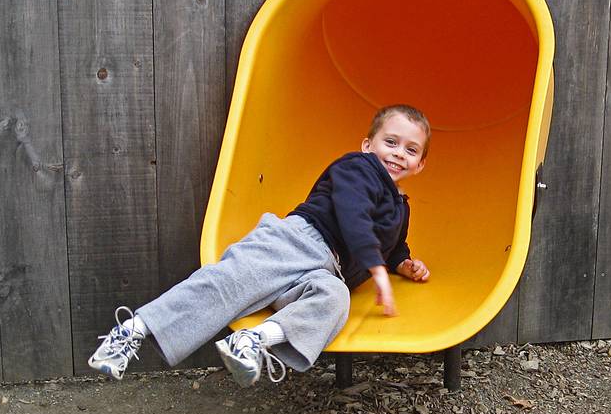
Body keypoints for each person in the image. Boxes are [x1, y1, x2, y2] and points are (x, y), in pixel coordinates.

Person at [88, 104, 432, 387]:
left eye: (411, 150)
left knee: (335, 299)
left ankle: (253, 341)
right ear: (368, 145)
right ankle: (133, 330)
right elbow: (354, 215)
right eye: (391, 142)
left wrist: (402, 264)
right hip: (298, 240)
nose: (399, 154)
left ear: (420, 165)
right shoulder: (358, 168)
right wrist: (375, 268)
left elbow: (393, 245)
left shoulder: (401, 207)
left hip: (328, 272)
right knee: (230, 283)